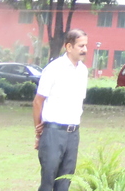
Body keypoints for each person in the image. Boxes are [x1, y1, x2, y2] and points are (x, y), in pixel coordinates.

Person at [33, 29, 89, 191]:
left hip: (73, 133)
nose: (85, 49)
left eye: (86, 45)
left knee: (65, 180)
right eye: (81, 46)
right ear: (69, 47)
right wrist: (38, 131)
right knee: (48, 180)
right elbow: (38, 101)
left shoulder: (83, 71)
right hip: (53, 132)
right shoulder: (54, 68)